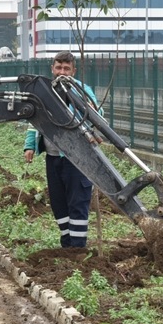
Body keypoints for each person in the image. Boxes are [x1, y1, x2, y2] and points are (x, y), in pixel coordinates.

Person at [23, 51, 101, 248]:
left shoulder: (82, 90)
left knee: (77, 202)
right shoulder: (44, 92)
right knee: (59, 203)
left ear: (73, 71)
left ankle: (77, 247)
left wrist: (90, 108)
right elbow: (34, 121)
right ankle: (67, 244)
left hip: (77, 158)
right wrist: (30, 146)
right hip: (53, 157)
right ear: (52, 69)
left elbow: (98, 115)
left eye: (66, 68)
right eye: (58, 67)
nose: (62, 72)